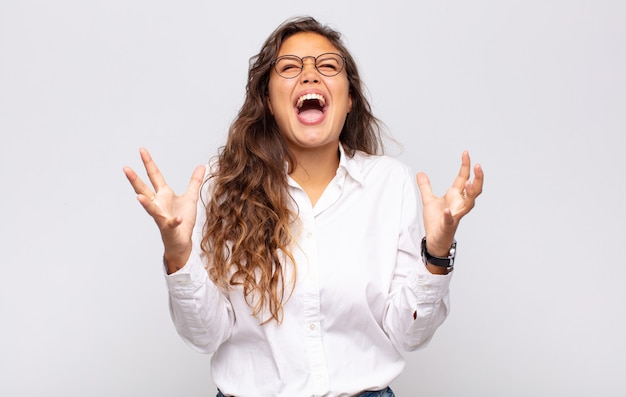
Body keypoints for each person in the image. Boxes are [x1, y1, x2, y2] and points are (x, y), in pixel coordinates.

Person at [123, 16, 483, 397]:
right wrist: (179, 254)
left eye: (327, 66)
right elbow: (205, 335)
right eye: (290, 67)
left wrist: (438, 253)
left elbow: (408, 334)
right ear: (268, 101)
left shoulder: (389, 183)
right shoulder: (222, 186)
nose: (310, 75)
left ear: (348, 100)